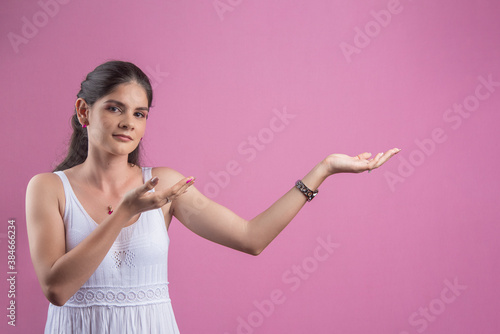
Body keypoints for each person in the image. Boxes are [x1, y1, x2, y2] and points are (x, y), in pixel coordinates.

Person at [26, 60, 401, 333]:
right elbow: (57, 289)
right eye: (114, 108)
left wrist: (323, 170)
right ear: (83, 111)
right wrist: (124, 212)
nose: (128, 122)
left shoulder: (165, 185)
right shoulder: (47, 188)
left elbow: (251, 238)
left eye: (139, 113)